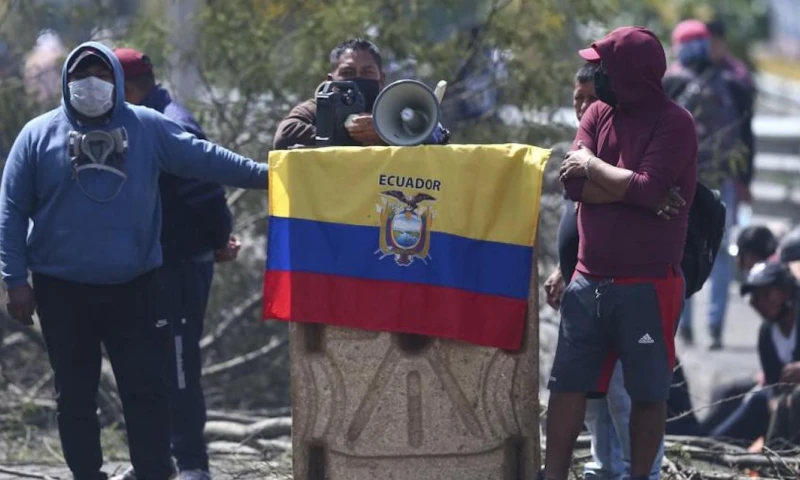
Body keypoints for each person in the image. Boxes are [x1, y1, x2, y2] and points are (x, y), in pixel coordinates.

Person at [0, 42, 267, 480]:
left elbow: (208, 160)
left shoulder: (147, 127)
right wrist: (15, 280)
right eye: (81, 74)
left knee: (147, 394)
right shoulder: (36, 135)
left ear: (119, 82)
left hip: (136, 289)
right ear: (66, 82)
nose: (91, 83)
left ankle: (153, 473)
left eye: (102, 74)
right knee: (75, 397)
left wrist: (271, 173)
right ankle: (87, 473)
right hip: (61, 290)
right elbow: (11, 210)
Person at [546, 26, 697, 480]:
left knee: (647, 393)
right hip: (588, 280)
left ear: (631, 72)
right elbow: (572, 184)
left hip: (648, 283)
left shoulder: (674, 122)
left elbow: (640, 185)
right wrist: (635, 190)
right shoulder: (596, 113)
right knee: (568, 384)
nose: (597, 74)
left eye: (604, 65)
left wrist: (595, 167)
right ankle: (551, 475)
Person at [108, 48, 241, 480]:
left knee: (180, 368)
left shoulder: (170, 122)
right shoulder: (133, 121)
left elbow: (205, 190)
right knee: (150, 367)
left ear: (125, 88)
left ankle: (191, 464)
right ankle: (156, 461)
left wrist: (217, 239)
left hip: (180, 264)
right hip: (149, 267)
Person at [663, 20, 744, 350]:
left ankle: (683, 325)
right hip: (723, 177)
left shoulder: (670, 80)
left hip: (683, 179)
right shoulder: (731, 82)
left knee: (680, 250)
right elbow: (746, 133)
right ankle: (716, 327)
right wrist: (745, 179)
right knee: (721, 253)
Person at [710, 262, 800, 448]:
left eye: (767, 294)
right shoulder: (766, 334)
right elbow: (775, 387)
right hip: (785, 410)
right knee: (721, 438)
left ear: (786, 291)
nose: (760, 302)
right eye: (756, 297)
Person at [273, 38, 386, 150]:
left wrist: (382, 134)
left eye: (367, 72)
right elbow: (285, 133)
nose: (358, 79)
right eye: (347, 73)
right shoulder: (316, 108)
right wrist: (344, 134)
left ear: (381, 79)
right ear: (330, 80)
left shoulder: (391, 112)